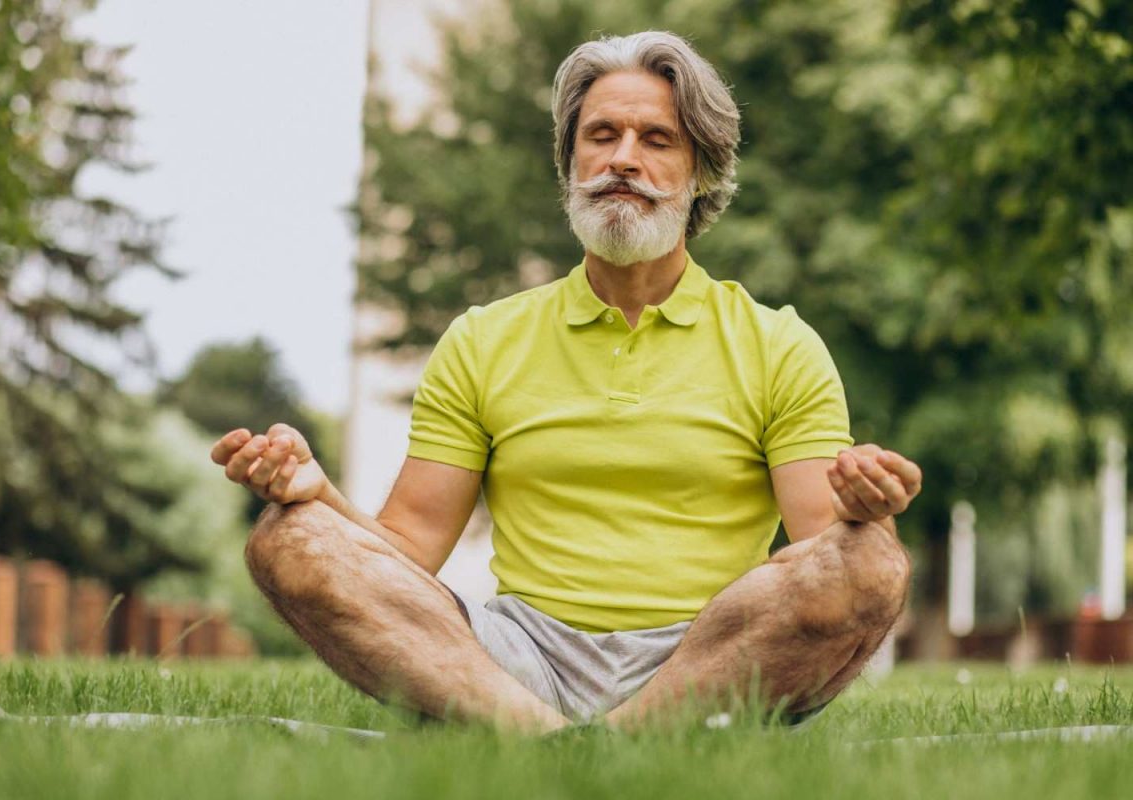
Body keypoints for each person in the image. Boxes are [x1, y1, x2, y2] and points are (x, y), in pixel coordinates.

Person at [210, 31, 919, 734]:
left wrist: (866, 511)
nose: (622, 159)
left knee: (874, 560)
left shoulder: (779, 345)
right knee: (289, 539)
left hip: (706, 663)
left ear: (701, 171)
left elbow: (824, 556)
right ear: (570, 161)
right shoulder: (484, 340)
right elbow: (406, 552)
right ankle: (549, 741)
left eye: (657, 140)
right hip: (519, 664)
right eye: (601, 135)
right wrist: (319, 495)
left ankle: (595, 744)